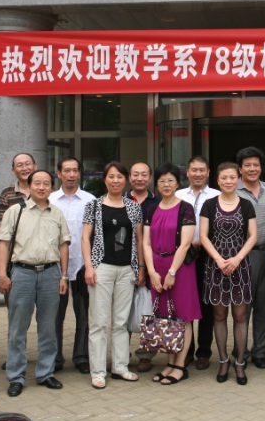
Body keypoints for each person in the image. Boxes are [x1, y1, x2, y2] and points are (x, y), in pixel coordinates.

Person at [0, 169, 71, 397]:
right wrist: (3, 274)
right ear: (29, 186)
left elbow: (63, 245)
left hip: (50, 274)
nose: (41, 187)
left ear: (51, 187)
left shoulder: (56, 213)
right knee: (17, 328)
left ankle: (46, 373)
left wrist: (64, 275)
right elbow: (3, 243)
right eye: (37, 183)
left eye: (46, 183)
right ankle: (16, 376)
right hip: (22, 273)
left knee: (48, 328)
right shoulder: (15, 211)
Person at [82, 161, 144, 389]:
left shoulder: (134, 207)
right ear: (105, 179)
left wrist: (141, 268)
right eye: (111, 176)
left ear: (125, 180)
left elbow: (139, 239)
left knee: (120, 322)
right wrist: (89, 267)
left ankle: (120, 367)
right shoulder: (93, 206)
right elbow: (85, 238)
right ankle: (98, 371)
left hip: (127, 269)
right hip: (102, 268)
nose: (115, 180)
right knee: (99, 322)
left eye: (119, 176)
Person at [143, 163, 201, 386]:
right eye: (162, 181)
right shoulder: (151, 209)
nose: (166, 185)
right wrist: (151, 272)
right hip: (156, 267)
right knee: (163, 316)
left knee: (183, 316)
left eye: (170, 180)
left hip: (179, 268)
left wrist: (172, 272)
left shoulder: (185, 208)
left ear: (177, 183)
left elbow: (185, 244)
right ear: (156, 185)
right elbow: (146, 243)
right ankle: (169, 362)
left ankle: (180, 365)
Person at [200, 162, 257, 385]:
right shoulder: (209, 204)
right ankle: (223, 360)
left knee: (241, 316)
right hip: (215, 267)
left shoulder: (246, 205)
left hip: (240, 266)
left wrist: (237, 259)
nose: (228, 181)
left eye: (232, 177)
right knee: (219, 316)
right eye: (224, 177)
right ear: (217, 180)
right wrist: (218, 259)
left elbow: (252, 236)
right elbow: (203, 236)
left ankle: (240, 362)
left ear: (238, 179)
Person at [50, 157, 94, 374]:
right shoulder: (49, 199)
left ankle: (81, 356)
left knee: (83, 316)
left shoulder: (90, 200)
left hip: (82, 265)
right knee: (54, 316)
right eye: (67, 170)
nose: (71, 175)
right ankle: (55, 358)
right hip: (54, 267)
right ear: (59, 173)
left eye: (75, 170)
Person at [176, 156, 220, 371]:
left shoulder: (217, 196)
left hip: (207, 255)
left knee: (206, 304)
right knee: (185, 303)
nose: (198, 174)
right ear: (187, 172)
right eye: (194, 170)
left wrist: (200, 242)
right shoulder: (178, 195)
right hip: (182, 255)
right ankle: (186, 351)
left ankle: (204, 352)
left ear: (208, 172)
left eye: (202, 170)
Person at [235, 146, 265, 369]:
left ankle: (260, 351)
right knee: (243, 307)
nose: (252, 169)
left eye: (256, 165)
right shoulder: (233, 190)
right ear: (240, 169)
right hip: (243, 256)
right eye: (247, 165)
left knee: (264, 305)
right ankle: (240, 350)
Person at [127, 160, 158, 372]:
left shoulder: (158, 203)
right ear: (130, 177)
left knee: (148, 310)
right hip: (122, 262)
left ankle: (146, 354)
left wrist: (146, 268)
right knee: (122, 311)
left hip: (151, 262)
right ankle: (121, 353)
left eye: (144, 174)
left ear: (150, 178)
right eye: (135, 174)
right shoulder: (119, 200)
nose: (139, 178)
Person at [0, 153, 36, 224]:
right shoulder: (6, 193)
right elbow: (2, 223)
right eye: (19, 165)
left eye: (27, 164)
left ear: (35, 166)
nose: (24, 168)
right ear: (13, 170)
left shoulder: (47, 191)